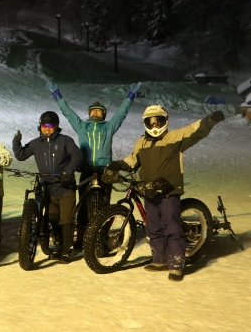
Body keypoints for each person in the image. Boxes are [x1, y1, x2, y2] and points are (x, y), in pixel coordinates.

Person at [104, 106, 225, 282]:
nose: (154, 125)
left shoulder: (174, 137)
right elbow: (132, 160)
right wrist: (116, 165)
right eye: (149, 121)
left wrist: (210, 120)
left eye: (157, 121)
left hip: (169, 190)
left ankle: (176, 265)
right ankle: (159, 260)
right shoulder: (142, 142)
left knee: (172, 226)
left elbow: (194, 130)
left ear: (164, 120)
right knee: (153, 227)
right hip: (149, 190)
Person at [46, 80, 141, 248]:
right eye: (93, 111)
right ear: (89, 114)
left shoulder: (108, 127)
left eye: (99, 111)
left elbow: (121, 114)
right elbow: (68, 113)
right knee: (82, 205)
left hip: (105, 171)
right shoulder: (82, 127)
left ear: (103, 115)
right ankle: (82, 239)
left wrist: (130, 97)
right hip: (86, 170)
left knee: (104, 206)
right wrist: (57, 95)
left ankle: (100, 239)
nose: (96, 113)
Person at [12, 111, 82, 263]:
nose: (47, 129)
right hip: (48, 189)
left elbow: (77, 156)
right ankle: (57, 246)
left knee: (66, 220)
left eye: (50, 126)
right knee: (52, 218)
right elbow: (21, 155)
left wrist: (67, 172)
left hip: (65, 188)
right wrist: (16, 142)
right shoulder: (37, 143)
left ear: (56, 126)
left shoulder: (65, 140)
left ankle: (67, 249)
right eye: (44, 126)